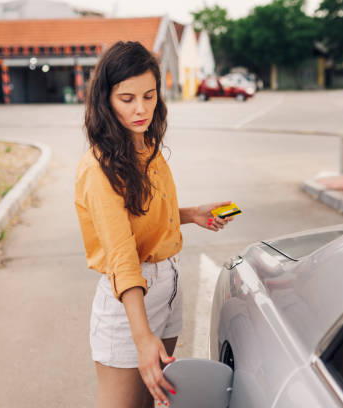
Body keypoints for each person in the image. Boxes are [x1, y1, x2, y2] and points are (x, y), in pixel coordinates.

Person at [75, 41, 233, 408]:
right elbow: (121, 254)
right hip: (129, 300)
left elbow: (142, 216)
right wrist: (142, 334)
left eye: (149, 95)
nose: (141, 108)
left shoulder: (146, 146)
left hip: (169, 285)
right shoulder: (99, 168)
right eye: (127, 98)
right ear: (105, 99)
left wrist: (192, 214)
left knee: (152, 403)